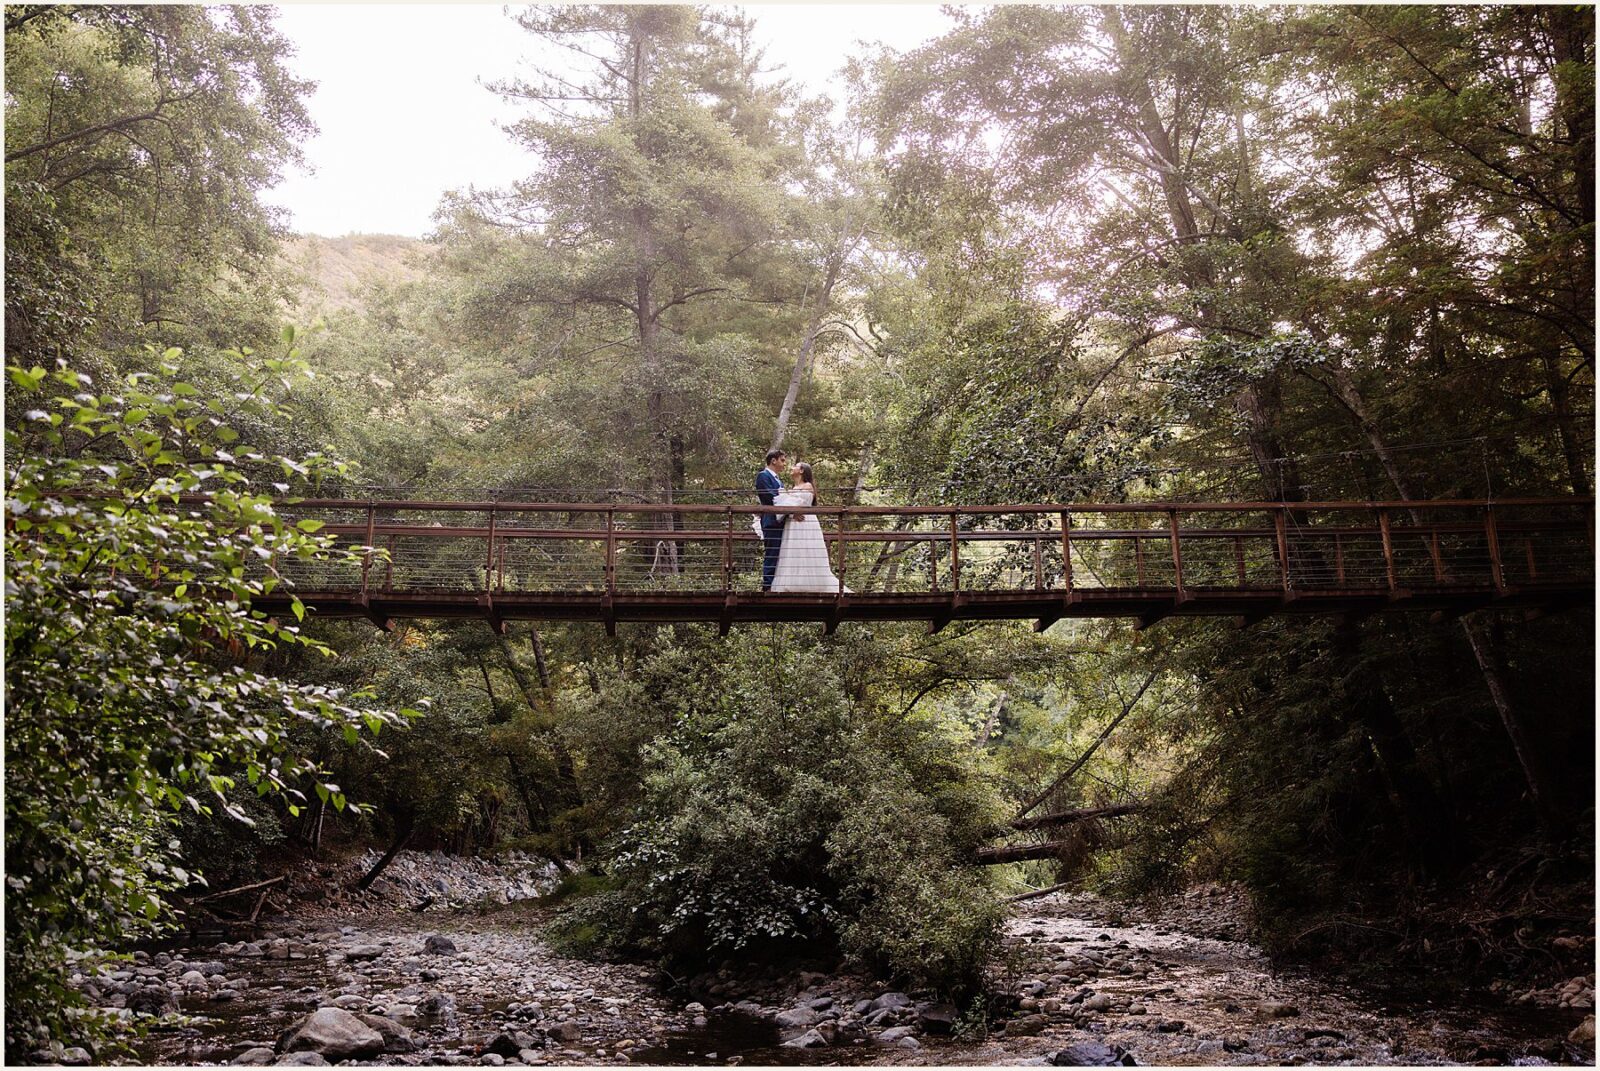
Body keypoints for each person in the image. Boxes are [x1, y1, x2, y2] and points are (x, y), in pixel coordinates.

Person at [770, 461, 850, 594]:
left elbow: (800, 505)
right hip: (793, 523)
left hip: (804, 522)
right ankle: (792, 581)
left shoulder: (807, 486)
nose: (791, 468)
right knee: (793, 550)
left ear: (801, 471)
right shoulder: (793, 487)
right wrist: (790, 511)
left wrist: (791, 508)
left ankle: (809, 582)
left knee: (805, 549)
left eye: (795, 466)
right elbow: (791, 506)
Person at [756, 448, 788, 591]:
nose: (784, 464)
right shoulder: (763, 476)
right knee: (772, 551)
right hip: (771, 520)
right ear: (773, 460)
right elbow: (769, 496)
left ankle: (775, 584)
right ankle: (767, 585)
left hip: (780, 521)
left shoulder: (778, 480)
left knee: (779, 552)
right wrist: (788, 503)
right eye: (782, 460)